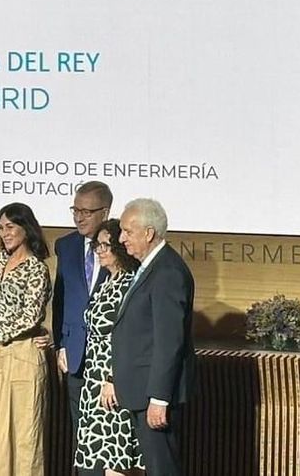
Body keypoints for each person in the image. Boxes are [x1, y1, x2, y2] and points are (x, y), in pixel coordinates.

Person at [111, 199, 195, 476]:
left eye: (127, 231)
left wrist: (159, 398)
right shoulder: (150, 267)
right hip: (140, 390)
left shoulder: (167, 272)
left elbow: (169, 340)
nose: (121, 239)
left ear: (148, 233)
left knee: (162, 468)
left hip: (155, 394)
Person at [0, 202, 53, 476]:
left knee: (22, 433)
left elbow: (31, 315)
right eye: (1, 228)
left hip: (22, 355)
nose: (5, 233)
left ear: (26, 229)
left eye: (10, 227)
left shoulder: (36, 269)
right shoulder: (1, 262)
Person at [52, 181, 112, 475]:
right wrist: (60, 344)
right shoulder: (66, 246)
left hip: (108, 360)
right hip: (75, 353)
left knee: (108, 431)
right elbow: (60, 298)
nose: (79, 217)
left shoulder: (119, 247)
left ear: (105, 211)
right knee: (81, 431)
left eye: (86, 211)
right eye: (75, 210)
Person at [74, 219, 143, 475]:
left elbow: (130, 338)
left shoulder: (129, 285)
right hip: (93, 383)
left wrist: (114, 378)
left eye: (106, 245)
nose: (100, 251)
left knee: (118, 459)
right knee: (100, 459)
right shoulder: (107, 282)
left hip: (113, 382)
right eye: (97, 245)